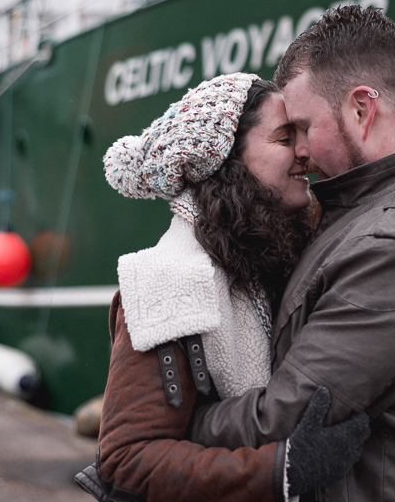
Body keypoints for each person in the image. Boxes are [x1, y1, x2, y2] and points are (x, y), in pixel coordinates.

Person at [189, 6, 395, 501]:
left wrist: (177, 421)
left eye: (304, 127)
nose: (300, 152)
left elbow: (285, 416)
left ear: (362, 109)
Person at [75, 73, 370, 502]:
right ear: (225, 159)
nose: (305, 152)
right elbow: (127, 456)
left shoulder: (263, 257)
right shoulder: (169, 280)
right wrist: (280, 469)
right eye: (284, 138)